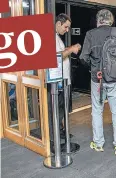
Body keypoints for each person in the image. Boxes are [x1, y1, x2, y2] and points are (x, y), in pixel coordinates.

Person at [80, 9, 116, 156]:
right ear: (111, 20)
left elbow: (83, 58)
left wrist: (94, 67)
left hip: (98, 79)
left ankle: (98, 143)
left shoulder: (91, 34)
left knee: (97, 111)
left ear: (98, 20)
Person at [48, 13, 81, 148]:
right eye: (66, 27)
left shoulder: (57, 38)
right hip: (58, 82)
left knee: (62, 108)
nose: (67, 30)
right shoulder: (51, 37)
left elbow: (61, 52)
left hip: (64, 81)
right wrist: (71, 49)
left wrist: (69, 48)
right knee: (55, 109)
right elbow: (55, 56)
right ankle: (52, 137)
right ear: (58, 24)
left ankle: (59, 131)